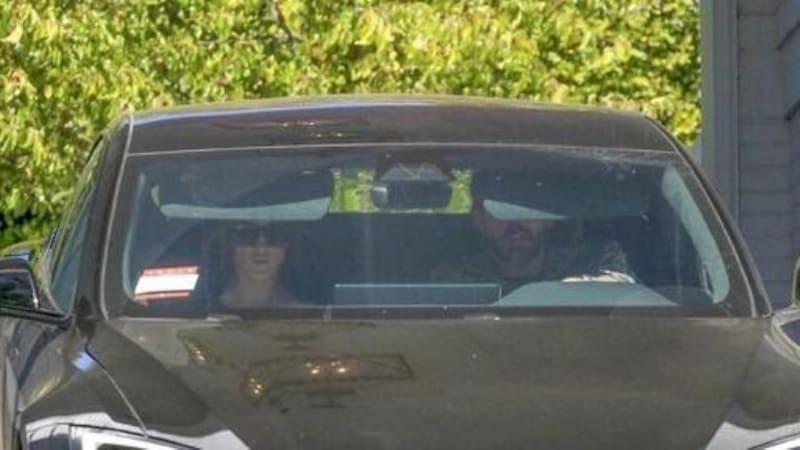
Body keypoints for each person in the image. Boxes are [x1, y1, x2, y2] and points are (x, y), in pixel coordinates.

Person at [431, 174, 635, 294]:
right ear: (479, 221)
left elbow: (621, 294)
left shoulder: (593, 261)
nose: (516, 224)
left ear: (548, 220)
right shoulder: (457, 281)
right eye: (501, 212)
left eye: (526, 211)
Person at [215, 222, 300, 308]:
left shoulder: (301, 310)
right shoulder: (210, 306)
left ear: (285, 250)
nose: (261, 251)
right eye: (248, 236)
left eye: (273, 237)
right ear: (231, 249)